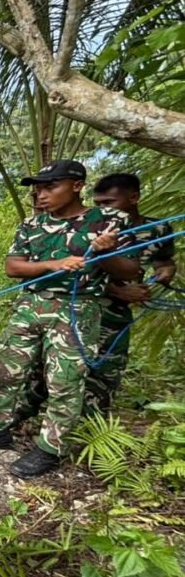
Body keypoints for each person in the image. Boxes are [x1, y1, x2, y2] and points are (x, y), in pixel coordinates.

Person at [0, 160, 140, 479]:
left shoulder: (110, 221)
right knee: (6, 368)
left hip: (78, 307)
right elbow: (14, 267)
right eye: (38, 189)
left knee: (66, 379)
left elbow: (130, 271)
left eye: (49, 187)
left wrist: (105, 254)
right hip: (31, 303)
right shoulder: (32, 225)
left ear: (76, 185)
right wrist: (53, 265)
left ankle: (50, 449)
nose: (41, 195)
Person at [87, 173, 176, 411]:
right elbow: (69, 273)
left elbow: (164, 261)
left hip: (117, 315)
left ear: (134, 198)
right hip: (85, 307)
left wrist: (164, 274)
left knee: (107, 368)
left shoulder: (158, 229)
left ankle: (91, 423)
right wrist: (117, 290)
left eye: (108, 203)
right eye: (98, 204)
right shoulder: (91, 228)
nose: (103, 209)